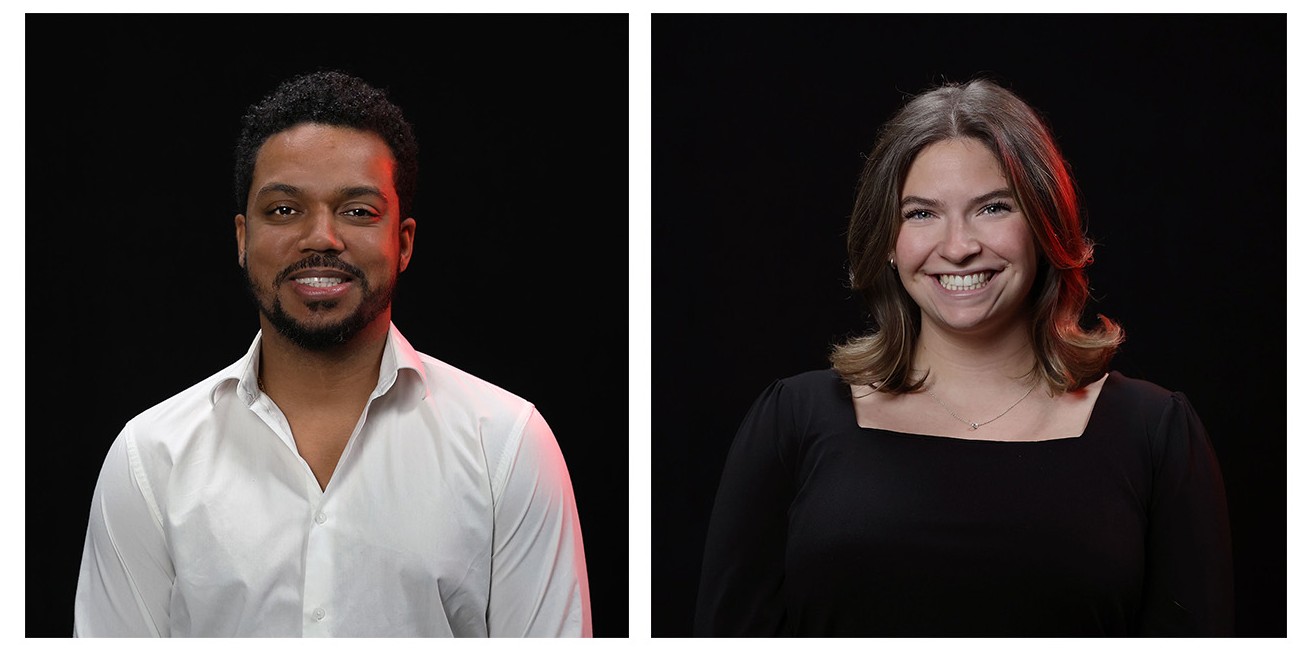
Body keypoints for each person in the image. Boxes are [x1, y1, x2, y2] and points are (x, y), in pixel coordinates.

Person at [693, 78, 1233, 636]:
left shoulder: (1155, 433)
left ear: (1044, 227)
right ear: (887, 241)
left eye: (993, 208)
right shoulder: (793, 421)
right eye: (921, 214)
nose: (957, 247)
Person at [73, 70, 592, 637]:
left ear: (404, 242)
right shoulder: (151, 457)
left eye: (358, 211)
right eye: (284, 211)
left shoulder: (507, 446)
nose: (321, 237)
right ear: (242, 239)